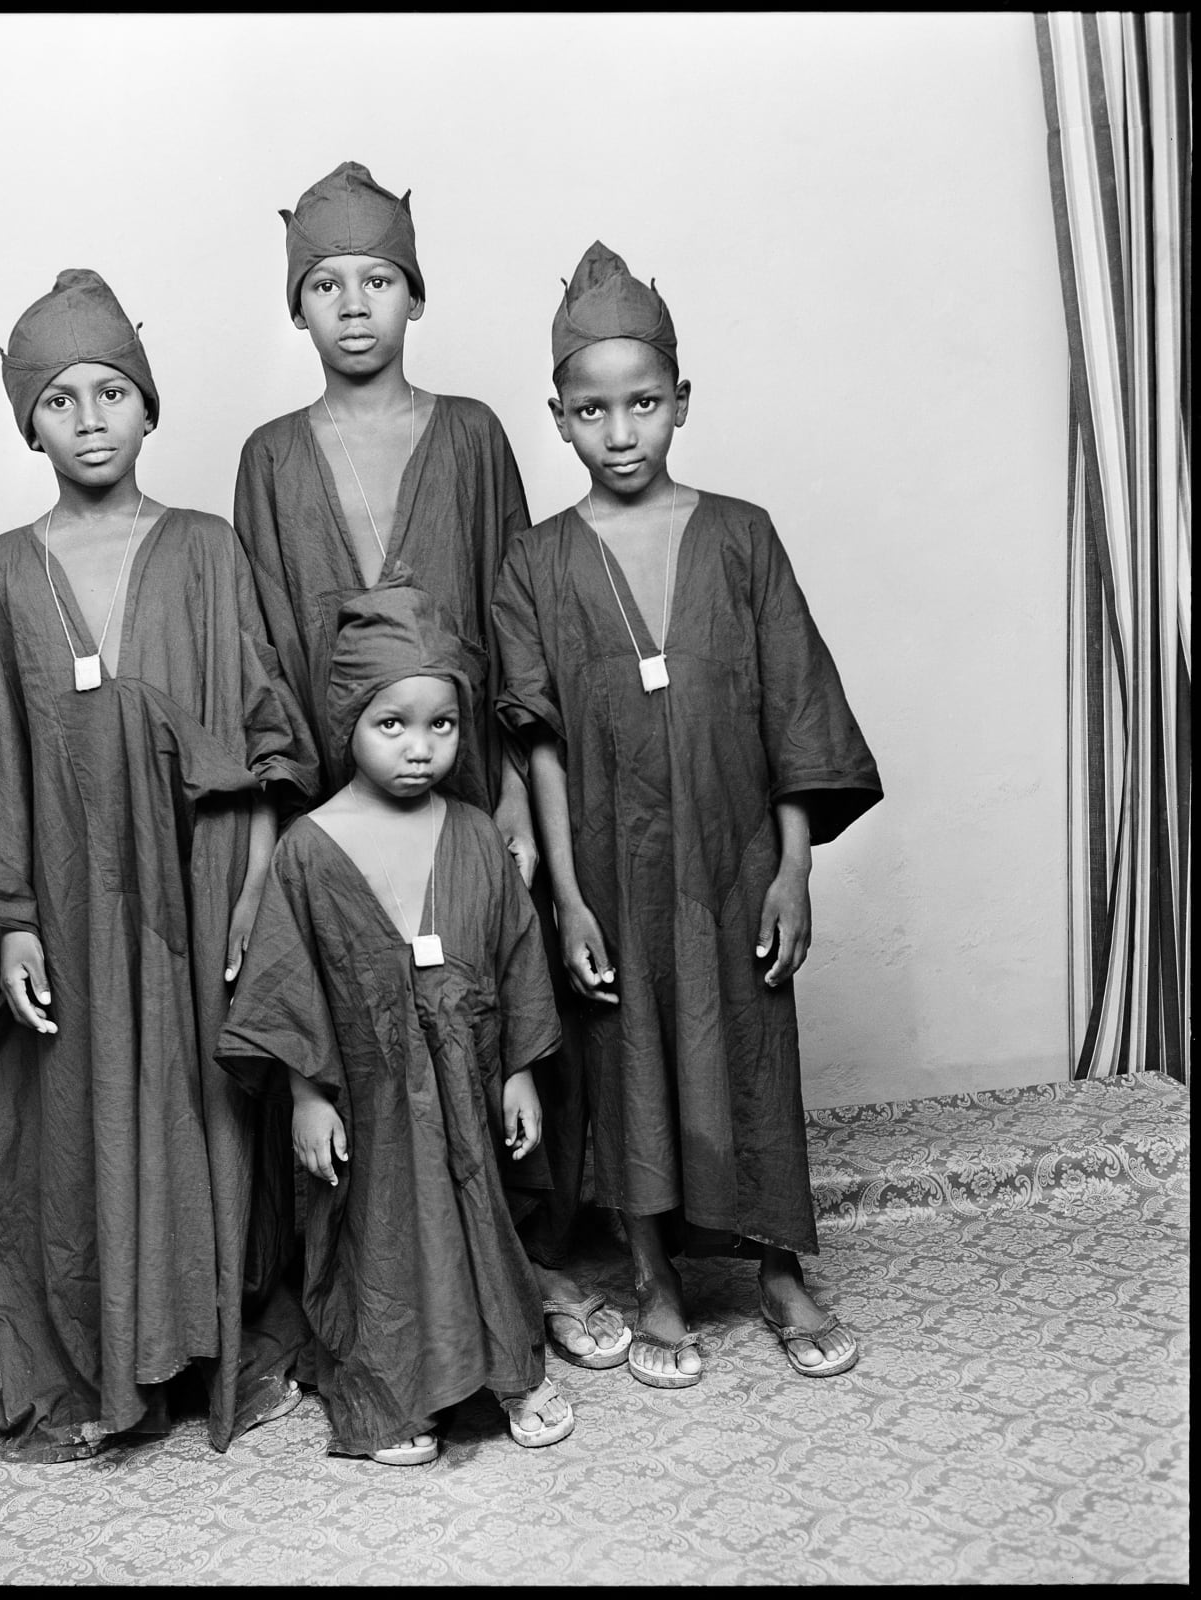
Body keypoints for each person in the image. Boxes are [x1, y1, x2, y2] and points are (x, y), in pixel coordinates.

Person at [0, 268, 319, 1461]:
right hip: (75, 905)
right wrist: (11, 923)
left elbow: (264, 729)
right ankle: (103, 1364)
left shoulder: (205, 551)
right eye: (60, 400)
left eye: (113, 392)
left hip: (201, 883)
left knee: (207, 1104)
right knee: (80, 1112)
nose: (89, 419)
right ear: (26, 420)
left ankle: (211, 1353)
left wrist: (252, 897)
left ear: (150, 409)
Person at [233, 160, 629, 1373]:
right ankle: (382, 1294)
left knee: (488, 1023)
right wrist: (274, 843)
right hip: (332, 813)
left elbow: (513, 616)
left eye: (379, 279)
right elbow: (257, 645)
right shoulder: (267, 457)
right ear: (296, 305)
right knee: (359, 1057)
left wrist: (508, 786)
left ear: (416, 296)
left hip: (459, 783)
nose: (354, 304)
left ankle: (523, 1263)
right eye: (326, 283)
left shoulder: (471, 437)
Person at [491, 242, 883, 1388]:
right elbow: (540, 743)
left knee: (751, 1051)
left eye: (645, 405)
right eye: (593, 410)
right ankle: (655, 1279)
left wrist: (793, 868)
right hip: (609, 864)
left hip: (734, 854)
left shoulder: (743, 537)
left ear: (683, 403)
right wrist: (566, 897)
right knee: (627, 1062)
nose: (623, 432)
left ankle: (779, 1268)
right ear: (558, 419)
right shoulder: (537, 565)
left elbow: (799, 714)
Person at [217, 583, 577, 1464]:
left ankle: (510, 1376)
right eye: (393, 725)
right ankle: (390, 1397)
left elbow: (515, 957)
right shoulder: (309, 849)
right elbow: (286, 984)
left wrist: (519, 1071)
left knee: (480, 1224)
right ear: (348, 721)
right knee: (376, 1245)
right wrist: (307, 1096)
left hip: (464, 1092)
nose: (420, 749)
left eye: (442, 726)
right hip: (370, 1108)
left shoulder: (475, 838)